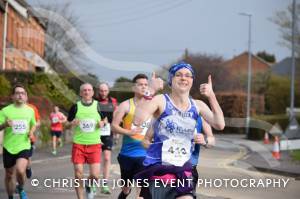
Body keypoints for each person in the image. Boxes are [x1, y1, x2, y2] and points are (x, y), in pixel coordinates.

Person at [133, 62, 225, 199]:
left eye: (188, 75)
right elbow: (137, 120)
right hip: (159, 172)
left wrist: (211, 96)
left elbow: (219, 124)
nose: (183, 78)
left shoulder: (197, 105)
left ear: (192, 81)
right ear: (171, 79)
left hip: (183, 172)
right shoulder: (161, 101)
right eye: (179, 75)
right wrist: (151, 90)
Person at [112, 74, 152, 199]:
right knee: (126, 188)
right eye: (140, 84)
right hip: (127, 155)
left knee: (141, 191)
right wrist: (129, 132)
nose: (144, 87)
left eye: (146, 84)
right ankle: (124, 194)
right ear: (133, 88)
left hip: (145, 154)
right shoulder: (126, 105)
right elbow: (114, 126)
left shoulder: (152, 105)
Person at [67, 83, 105, 199]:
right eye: (84, 90)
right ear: (80, 93)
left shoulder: (99, 106)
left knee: (95, 175)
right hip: (79, 144)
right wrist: (71, 124)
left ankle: (89, 184)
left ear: (93, 93)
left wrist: (102, 123)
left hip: (94, 144)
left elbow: (105, 119)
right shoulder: (75, 107)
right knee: (78, 174)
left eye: (89, 90)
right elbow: (66, 124)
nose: (87, 92)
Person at [0, 84, 37, 199]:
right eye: (17, 93)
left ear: (26, 96)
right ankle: (10, 196)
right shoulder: (5, 111)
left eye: (23, 93)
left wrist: (31, 132)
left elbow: (34, 124)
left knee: (21, 171)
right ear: (12, 96)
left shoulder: (30, 111)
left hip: (24, 145)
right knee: (9, 174)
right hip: (9, 146)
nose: (20, 95)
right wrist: (5, 124)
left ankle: (20, 187)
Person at [96, 82, 118, 194]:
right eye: (101, 91)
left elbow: (116, 116)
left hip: (107, 133)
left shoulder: (113, 101)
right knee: (95, 159)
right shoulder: (94, 101)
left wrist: (117, 127)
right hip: (95, 133)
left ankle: (104, 184)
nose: (103, 93)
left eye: (105, 91)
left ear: (108, 91)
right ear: (98, 91)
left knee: (107, 158)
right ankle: (94, 182)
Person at [190, 117, 215, 198]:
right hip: (162, 166)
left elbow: (211, 140)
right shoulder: (164, 107)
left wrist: (205, 141)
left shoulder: (200, 114)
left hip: (189, 168)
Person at [26, 103, 41, 179]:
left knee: (27, 158)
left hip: (29, 138)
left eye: (23, 94)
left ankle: (28, 168)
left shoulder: (32, 108)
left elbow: (38, 121)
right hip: (13, 140)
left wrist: (33, 127)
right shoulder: (10, 109)